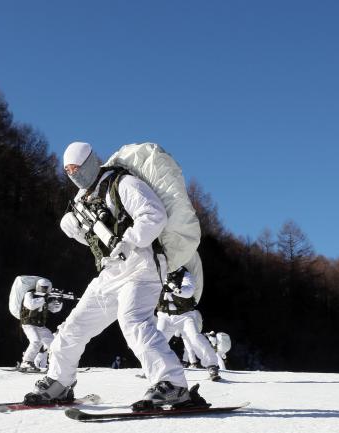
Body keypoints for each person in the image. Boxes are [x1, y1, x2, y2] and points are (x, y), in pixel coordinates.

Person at [23, 141, 205, 410]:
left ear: (90, 162)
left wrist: (130, 241)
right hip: (111, 272)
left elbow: (154, 215)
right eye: (68, 170)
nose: (74, 174)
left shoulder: (122, 183)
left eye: (77, 168)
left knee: (133, 320)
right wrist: (74, 228)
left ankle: (173, 385)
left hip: (142, 265)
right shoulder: (81, 200)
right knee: (74, 326)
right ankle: (59, 381)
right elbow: (95, 241)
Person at [155, 267, 221, 381]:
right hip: (165, 316)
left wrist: (176, 290)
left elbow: (189, 291)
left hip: (185, 315)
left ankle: (212, 365)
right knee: (156, 340)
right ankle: (153, 368)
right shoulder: (159, 272)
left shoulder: (185, 274)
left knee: (194, 337)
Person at [18, 278, 63, 372]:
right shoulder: (29, 294)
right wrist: (44, 299)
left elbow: (54, 310)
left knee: (53, 343)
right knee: (36, 341)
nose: (43, 290)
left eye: (45, 288)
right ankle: (26, 362)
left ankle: (54, 364)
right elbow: (30, 305)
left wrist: (58, 302)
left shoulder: (45, 298)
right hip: (28, 324)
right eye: (41, 288)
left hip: (40, 326)